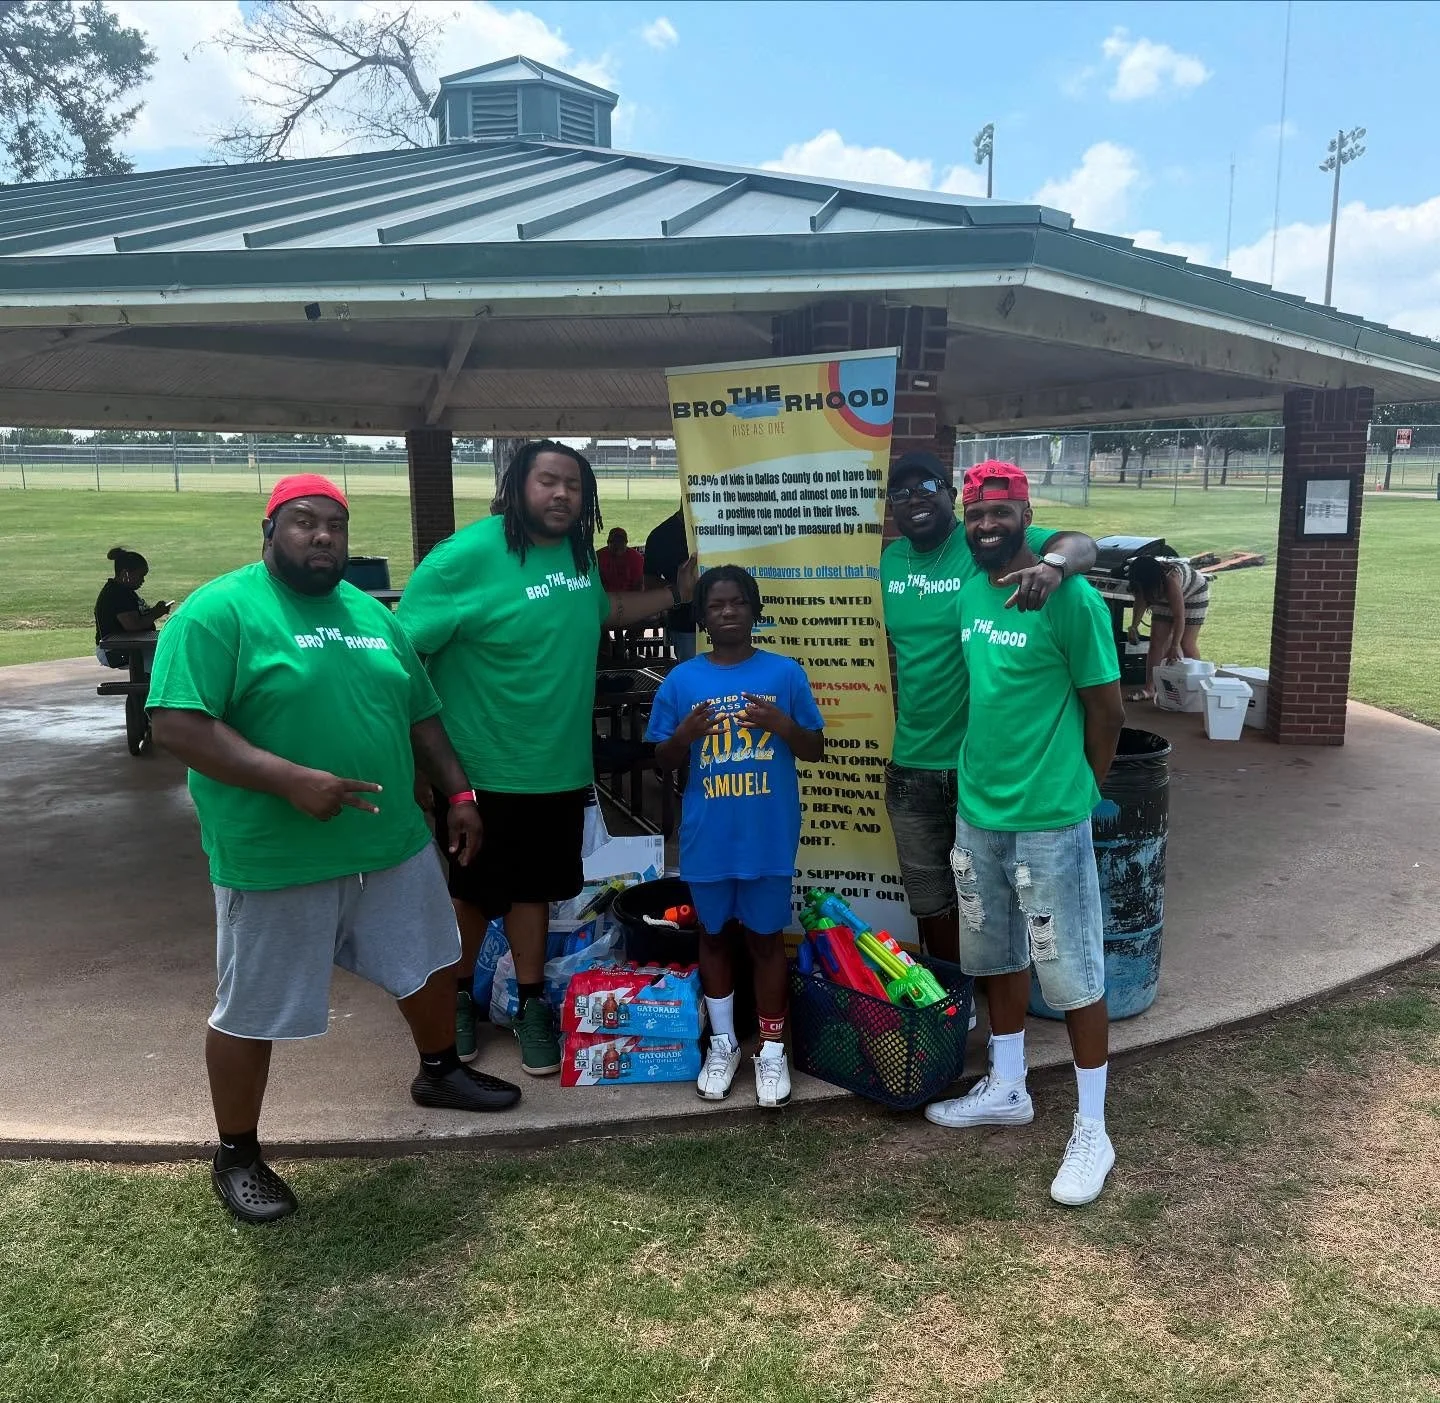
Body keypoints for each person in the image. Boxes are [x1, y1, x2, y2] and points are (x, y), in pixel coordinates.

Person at [147, 473, 520, 1226]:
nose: (322, 536)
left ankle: (440, 1070)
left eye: (335, 526)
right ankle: (238, 1154)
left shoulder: (371, 616)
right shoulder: (220, 611)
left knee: (428, 960)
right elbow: (177, 725)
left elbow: (423, 714)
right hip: (277, 856)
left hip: (389, 843)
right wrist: (287, 779)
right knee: (252, 1007)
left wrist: (458, 793)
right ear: (270, 530)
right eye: (304, 522)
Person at [398, 441, 696, 1076]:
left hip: (558, 769)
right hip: (479, 772)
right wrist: (423, 766)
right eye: (548, 482)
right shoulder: (461, 562)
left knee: (536, 893)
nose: (562, 495)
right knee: (473, 896)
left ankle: (532, 1003)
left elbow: (607, 611)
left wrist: (676, 592)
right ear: (516, 489)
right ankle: (453, 1002)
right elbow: (401, 661)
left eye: (574, 486)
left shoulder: (579, 557)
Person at [923, 463, 1125, 1207]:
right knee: (994, 951)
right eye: (977, 512)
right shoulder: (972, 583)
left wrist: (1082, 791)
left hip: (1049, 819)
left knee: (1070, 970)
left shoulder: (1065, 592)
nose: (987, 525)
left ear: (1026, 514)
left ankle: (1093, 1129)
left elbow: (1107, 714)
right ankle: (1008, 1084)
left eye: (1001, 513)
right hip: (978, 814)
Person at [881, 451, 1096, 963]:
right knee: (932, 901)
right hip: (912, 762)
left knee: (995, 900)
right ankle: (952, 1004)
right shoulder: (891, 561)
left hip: (978, 767)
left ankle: (1000, 996)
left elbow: (1083, 546)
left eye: (927, 486)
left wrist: (1054, 567)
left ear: (950, 496)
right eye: (901, 493)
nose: (914, 500)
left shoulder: (985, 540)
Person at [646, 566, 825, 1107]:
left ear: (755, 609)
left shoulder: (785, 674)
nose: (727, 612)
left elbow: (815, 748)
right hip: (709, 838)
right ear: (701, 616)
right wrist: (684, 734)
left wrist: (783, 727)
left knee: (767, 941)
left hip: (768, 835)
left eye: (738, 602)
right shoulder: (682, 681)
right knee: (715, 937)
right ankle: (722, 1042)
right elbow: (661, 760)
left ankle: (772, 1047)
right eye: (716, 604)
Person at [1126, 554, 1211, 701]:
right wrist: (1133, 626)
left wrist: (1174, 645)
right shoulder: (1144, 584)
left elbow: (1179, 617)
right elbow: (1140, 601)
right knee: (1156, 643)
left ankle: (1198, 688)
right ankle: (1150, 688)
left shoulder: (1171, 579)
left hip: (1194, 593)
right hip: (1162, 595)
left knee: (1186, 644)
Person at [94, 546, 171, 669]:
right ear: (125, 573)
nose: (143, 580)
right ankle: (148, 687)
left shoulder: (125, 591)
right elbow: (133, 626)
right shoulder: (116, 594)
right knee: (165, 661)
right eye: (141, 575)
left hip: (129, 646)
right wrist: (155, 613)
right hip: (114, 651)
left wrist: (155, 611)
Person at [643, 508, 697, 662]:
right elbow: (649, 581)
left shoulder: (727, 526)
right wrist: (679, 591)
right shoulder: (661, 535)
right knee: (693, 679)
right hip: (687, 624)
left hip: (738, 621)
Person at [597, 527, 645, 661]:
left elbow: (638, 585)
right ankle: (605, 652)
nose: (617, 545)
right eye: (614, 542)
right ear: (608, 543)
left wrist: (633, 606)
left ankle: (630, 648)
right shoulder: (599, 557)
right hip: (606, 601)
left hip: (628, 600)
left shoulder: (636, 558)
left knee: (638, 618)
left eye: (620, 542)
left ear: (626, 543)